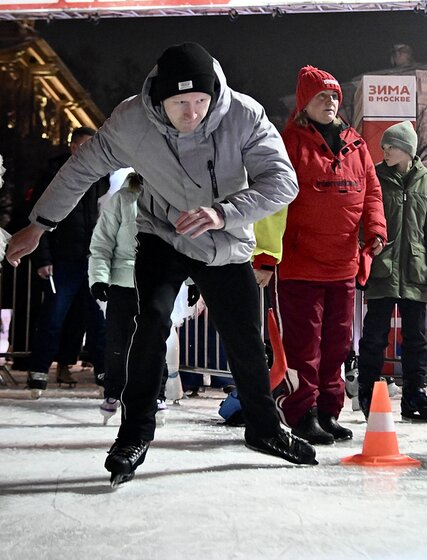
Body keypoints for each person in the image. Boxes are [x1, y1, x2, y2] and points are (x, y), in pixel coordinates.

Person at [6, 42, 317, 486]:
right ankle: (133, 434)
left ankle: (265, 429)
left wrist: (223, 213)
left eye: (200, 102)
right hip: (162, 233)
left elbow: (283, 181)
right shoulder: (132, 121)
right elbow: (80, 170)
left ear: (214, 94)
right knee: (149, 323)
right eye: (179, 104)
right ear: (158, 100)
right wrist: (40, 225)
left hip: (224, 237)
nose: (192, 114)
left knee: (247, 338)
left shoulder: (243, 114)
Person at [256, 66, 386, 445]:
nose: (329, 102)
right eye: (321, 97)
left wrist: (375, 230)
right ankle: (301, 412)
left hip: (342, 264)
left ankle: (329, 412)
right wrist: (265, 255)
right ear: (304, 104)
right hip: (301, 265)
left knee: (337, 345)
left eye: (333, 97)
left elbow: (372, 193)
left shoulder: (356, 145)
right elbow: (272, 200)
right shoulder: (289, 143)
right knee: (303, 346)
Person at [357, 121, 427, 422]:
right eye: (384, 146)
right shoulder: (375, 179)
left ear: (408, 150)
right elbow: (363, 220)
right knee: (374, 336)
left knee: (416, 338)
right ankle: (368, 392)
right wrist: (363, 255)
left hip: (415, 272)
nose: (385, 151)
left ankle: (414, 393)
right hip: (382, 268)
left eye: (391, 147)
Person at [88, 172, 194, 425]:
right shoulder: (123, 199)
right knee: (118, 341)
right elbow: (102, 240)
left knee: (156, 338)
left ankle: (157, 394)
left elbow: (187, 243)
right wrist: (99, 277)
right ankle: (114, 391)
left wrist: (193, 281)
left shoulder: (174, 199)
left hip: (158, 281)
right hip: (123, 281)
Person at [26, 127, 108, 394]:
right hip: (63, 259)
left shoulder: (100, 176)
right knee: (53, 316)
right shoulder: (54, 175)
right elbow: (38, 216)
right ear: (73, 147)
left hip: (93, 260)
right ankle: (38, 371)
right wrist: (43, 258)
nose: (89, 151)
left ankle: (105, 373)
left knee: (99, 319)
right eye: (84, 146)